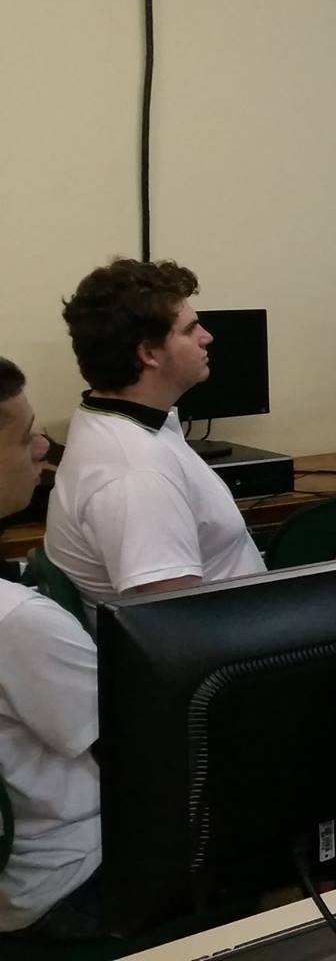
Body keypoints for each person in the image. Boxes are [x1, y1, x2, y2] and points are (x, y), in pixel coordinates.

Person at [44, 258, 265, 604]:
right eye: (190, 329)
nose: (207, 337)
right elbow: (174, 621)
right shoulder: (136, 475)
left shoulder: (120, 422)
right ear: (149, 353)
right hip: (237, 634)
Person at [0, 357, 104, 941]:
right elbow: (135, 744)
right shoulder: (18, 622)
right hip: (68, 880)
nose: (43, 447)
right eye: (25, 437)